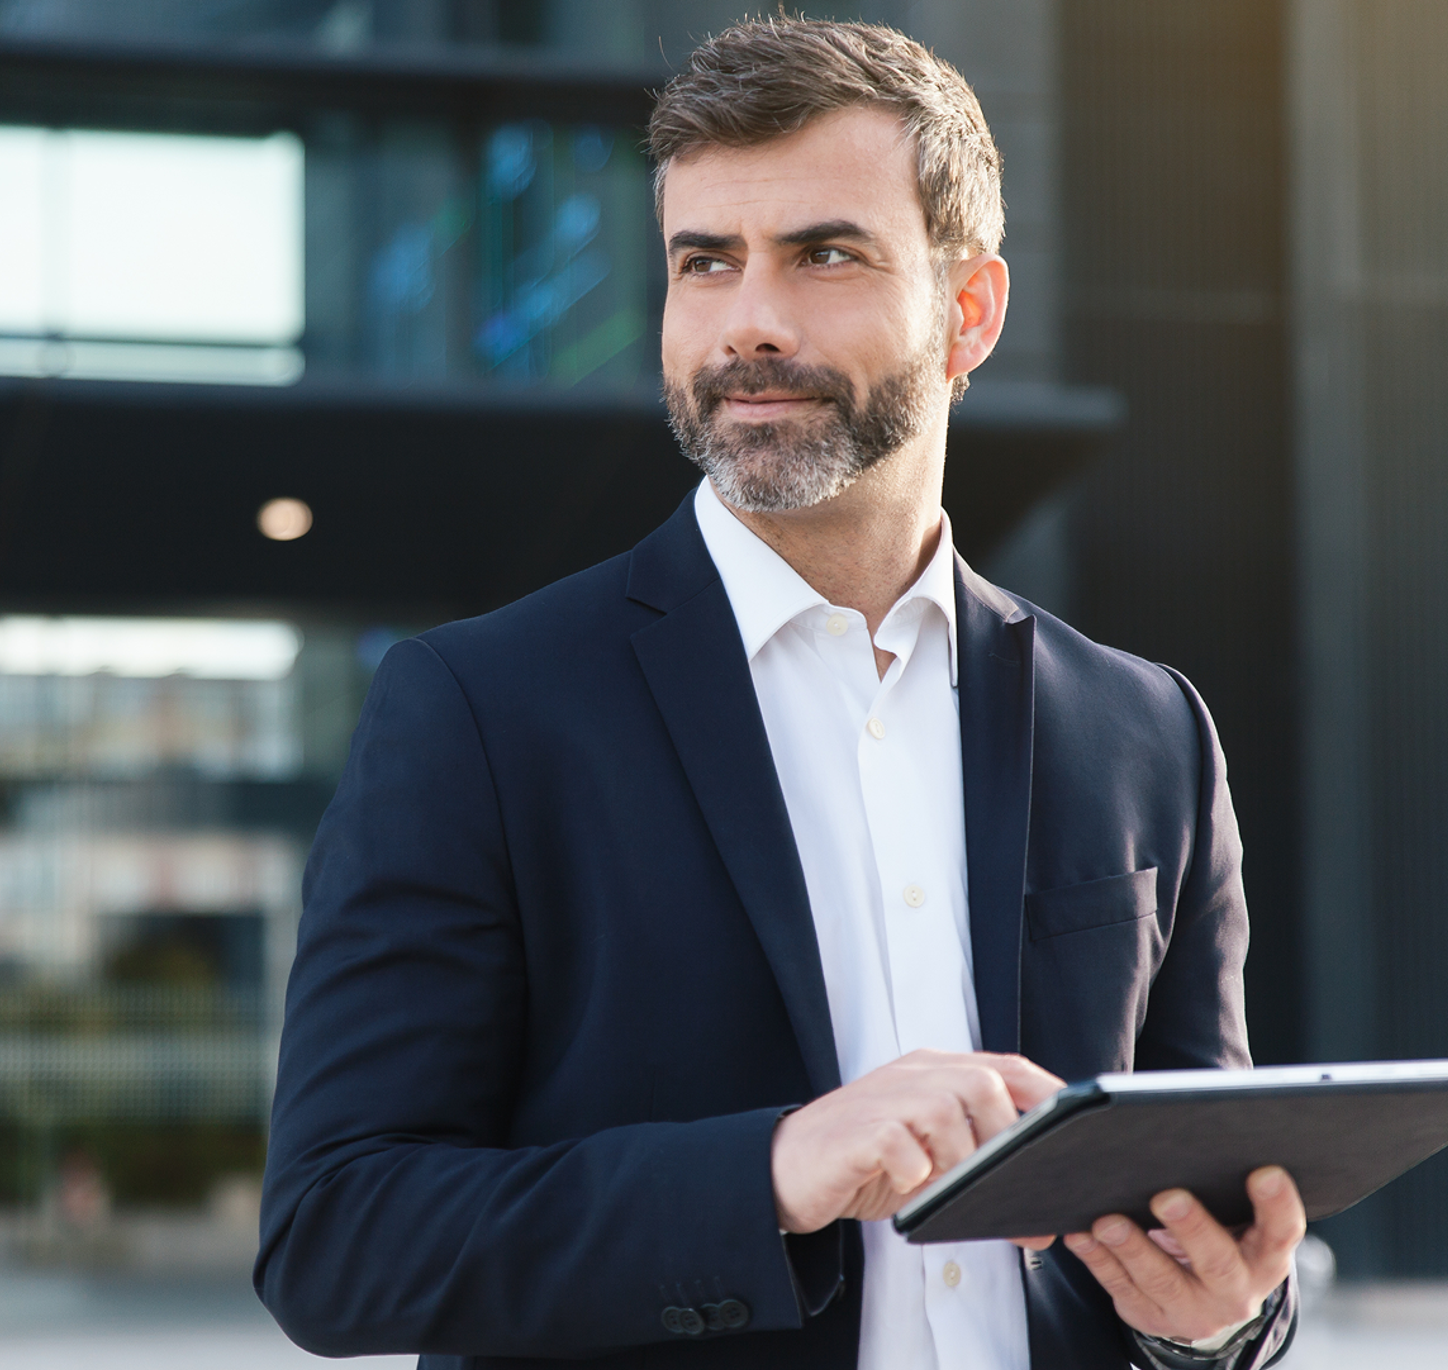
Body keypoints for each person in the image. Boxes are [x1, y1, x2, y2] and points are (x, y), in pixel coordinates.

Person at [257, 17, 1301, 1370]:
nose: (749, 320)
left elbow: (1192, 1211)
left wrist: (1223, 1316)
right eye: (707, 262)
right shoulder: (477, 712)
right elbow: (339, 1238)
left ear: (969, 311)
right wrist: (772, 1170)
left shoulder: (1147, 732)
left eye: (824, 254)